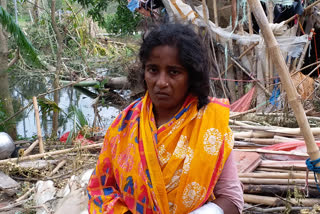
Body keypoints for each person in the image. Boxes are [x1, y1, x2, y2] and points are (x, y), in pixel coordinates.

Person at [87, 23, 244, 214]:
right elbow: (101, 188)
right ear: (144, 72)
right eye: (153, 70)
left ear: (191, 76)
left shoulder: (209, 127)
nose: (161, 82)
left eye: (174, 72)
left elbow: (232, 200)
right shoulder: (124, 125)